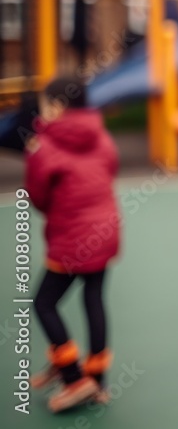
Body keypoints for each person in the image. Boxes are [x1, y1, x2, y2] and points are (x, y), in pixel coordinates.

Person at [26, 77, 120, 412]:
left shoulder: (44, 145)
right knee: (93, 298)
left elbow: (37, 197)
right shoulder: (102, 136)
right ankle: (98, 381)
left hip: (71, 237)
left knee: (43, 303)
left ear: (56, 106)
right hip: (105, 231)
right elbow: (109, 168)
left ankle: (72, 376)